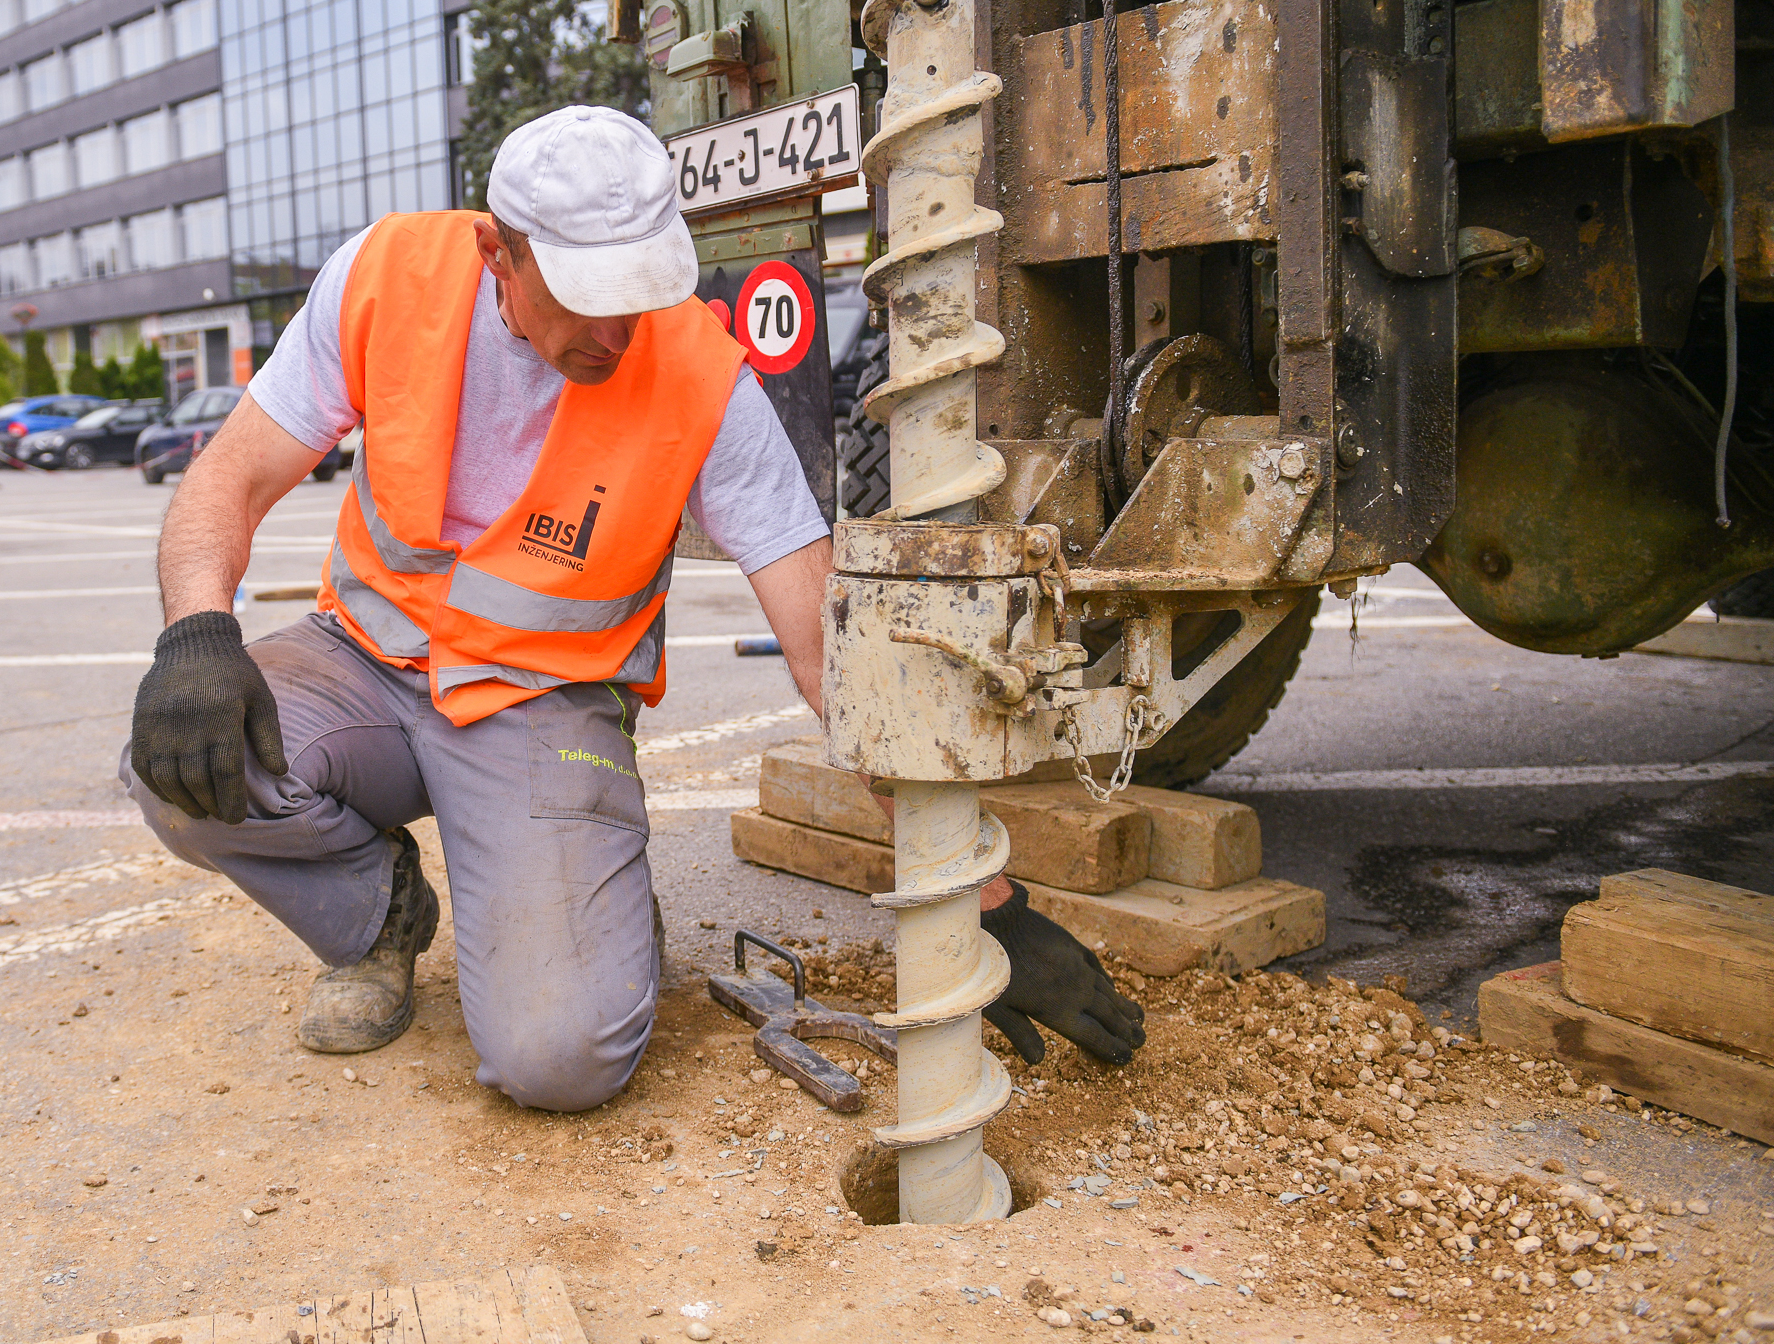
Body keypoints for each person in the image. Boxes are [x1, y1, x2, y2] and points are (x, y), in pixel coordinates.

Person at [122, 105, 1140, 1113]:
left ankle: (591, 899)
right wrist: (195, 635)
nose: (615, 331)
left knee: (560, 1058)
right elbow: (230, 480)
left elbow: (825, 654)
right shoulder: (387, 279)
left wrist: (986, 901)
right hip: (364, 660)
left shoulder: (700, 377)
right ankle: (376, 914)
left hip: (541, 704)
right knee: (176, 763)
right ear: (497, 254)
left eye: (637, 294)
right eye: (586, 296)